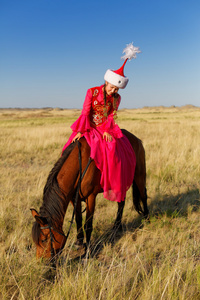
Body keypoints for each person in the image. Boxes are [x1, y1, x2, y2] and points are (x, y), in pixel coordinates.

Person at [62, 43, 141, 202]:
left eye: (117, 89)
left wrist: (107, 130)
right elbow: (85, 112)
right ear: (106, 82)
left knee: (113, 149)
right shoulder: (92, 92)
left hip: (105, 129)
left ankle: (106, 182)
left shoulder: (117, 98)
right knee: (67, 151)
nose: (114, 91)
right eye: (112, 88)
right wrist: (80, 131)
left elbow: (111, 116)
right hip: (88, 127)